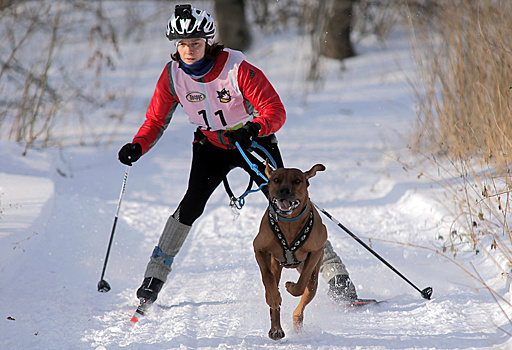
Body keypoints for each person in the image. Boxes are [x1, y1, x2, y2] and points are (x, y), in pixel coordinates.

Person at [118, 4, 358, 305]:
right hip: (212, 146)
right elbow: (155, 121)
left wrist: (253, 129)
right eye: (182, 44)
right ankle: (153, 278)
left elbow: (276, 111)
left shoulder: (236, 68)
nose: (189, 50)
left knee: (289, 202)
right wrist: (138, 145)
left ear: (207, 41)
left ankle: (337, 276)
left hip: (251, 143)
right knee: (190, 206)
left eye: (195, 43)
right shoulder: (172, 76)